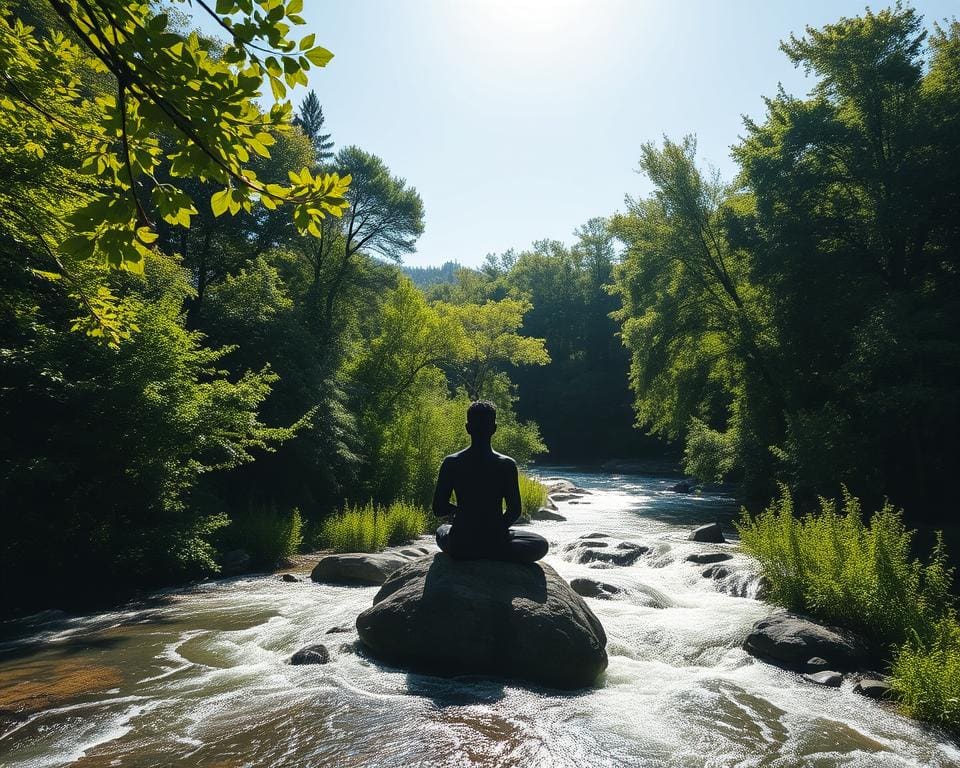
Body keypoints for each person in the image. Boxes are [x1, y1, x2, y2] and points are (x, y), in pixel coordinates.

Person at [432, 400, 549, 563]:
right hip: (494, 541)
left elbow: (438, 508)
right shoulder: (506, 464)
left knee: (442, 531)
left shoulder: (451, 462)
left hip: (461, 544)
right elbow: (514, 511)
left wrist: (460, 513)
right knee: (540, 544)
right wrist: (495, 531)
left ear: (467, 428)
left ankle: (477, 549)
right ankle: (495, 551)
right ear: (494, 429)